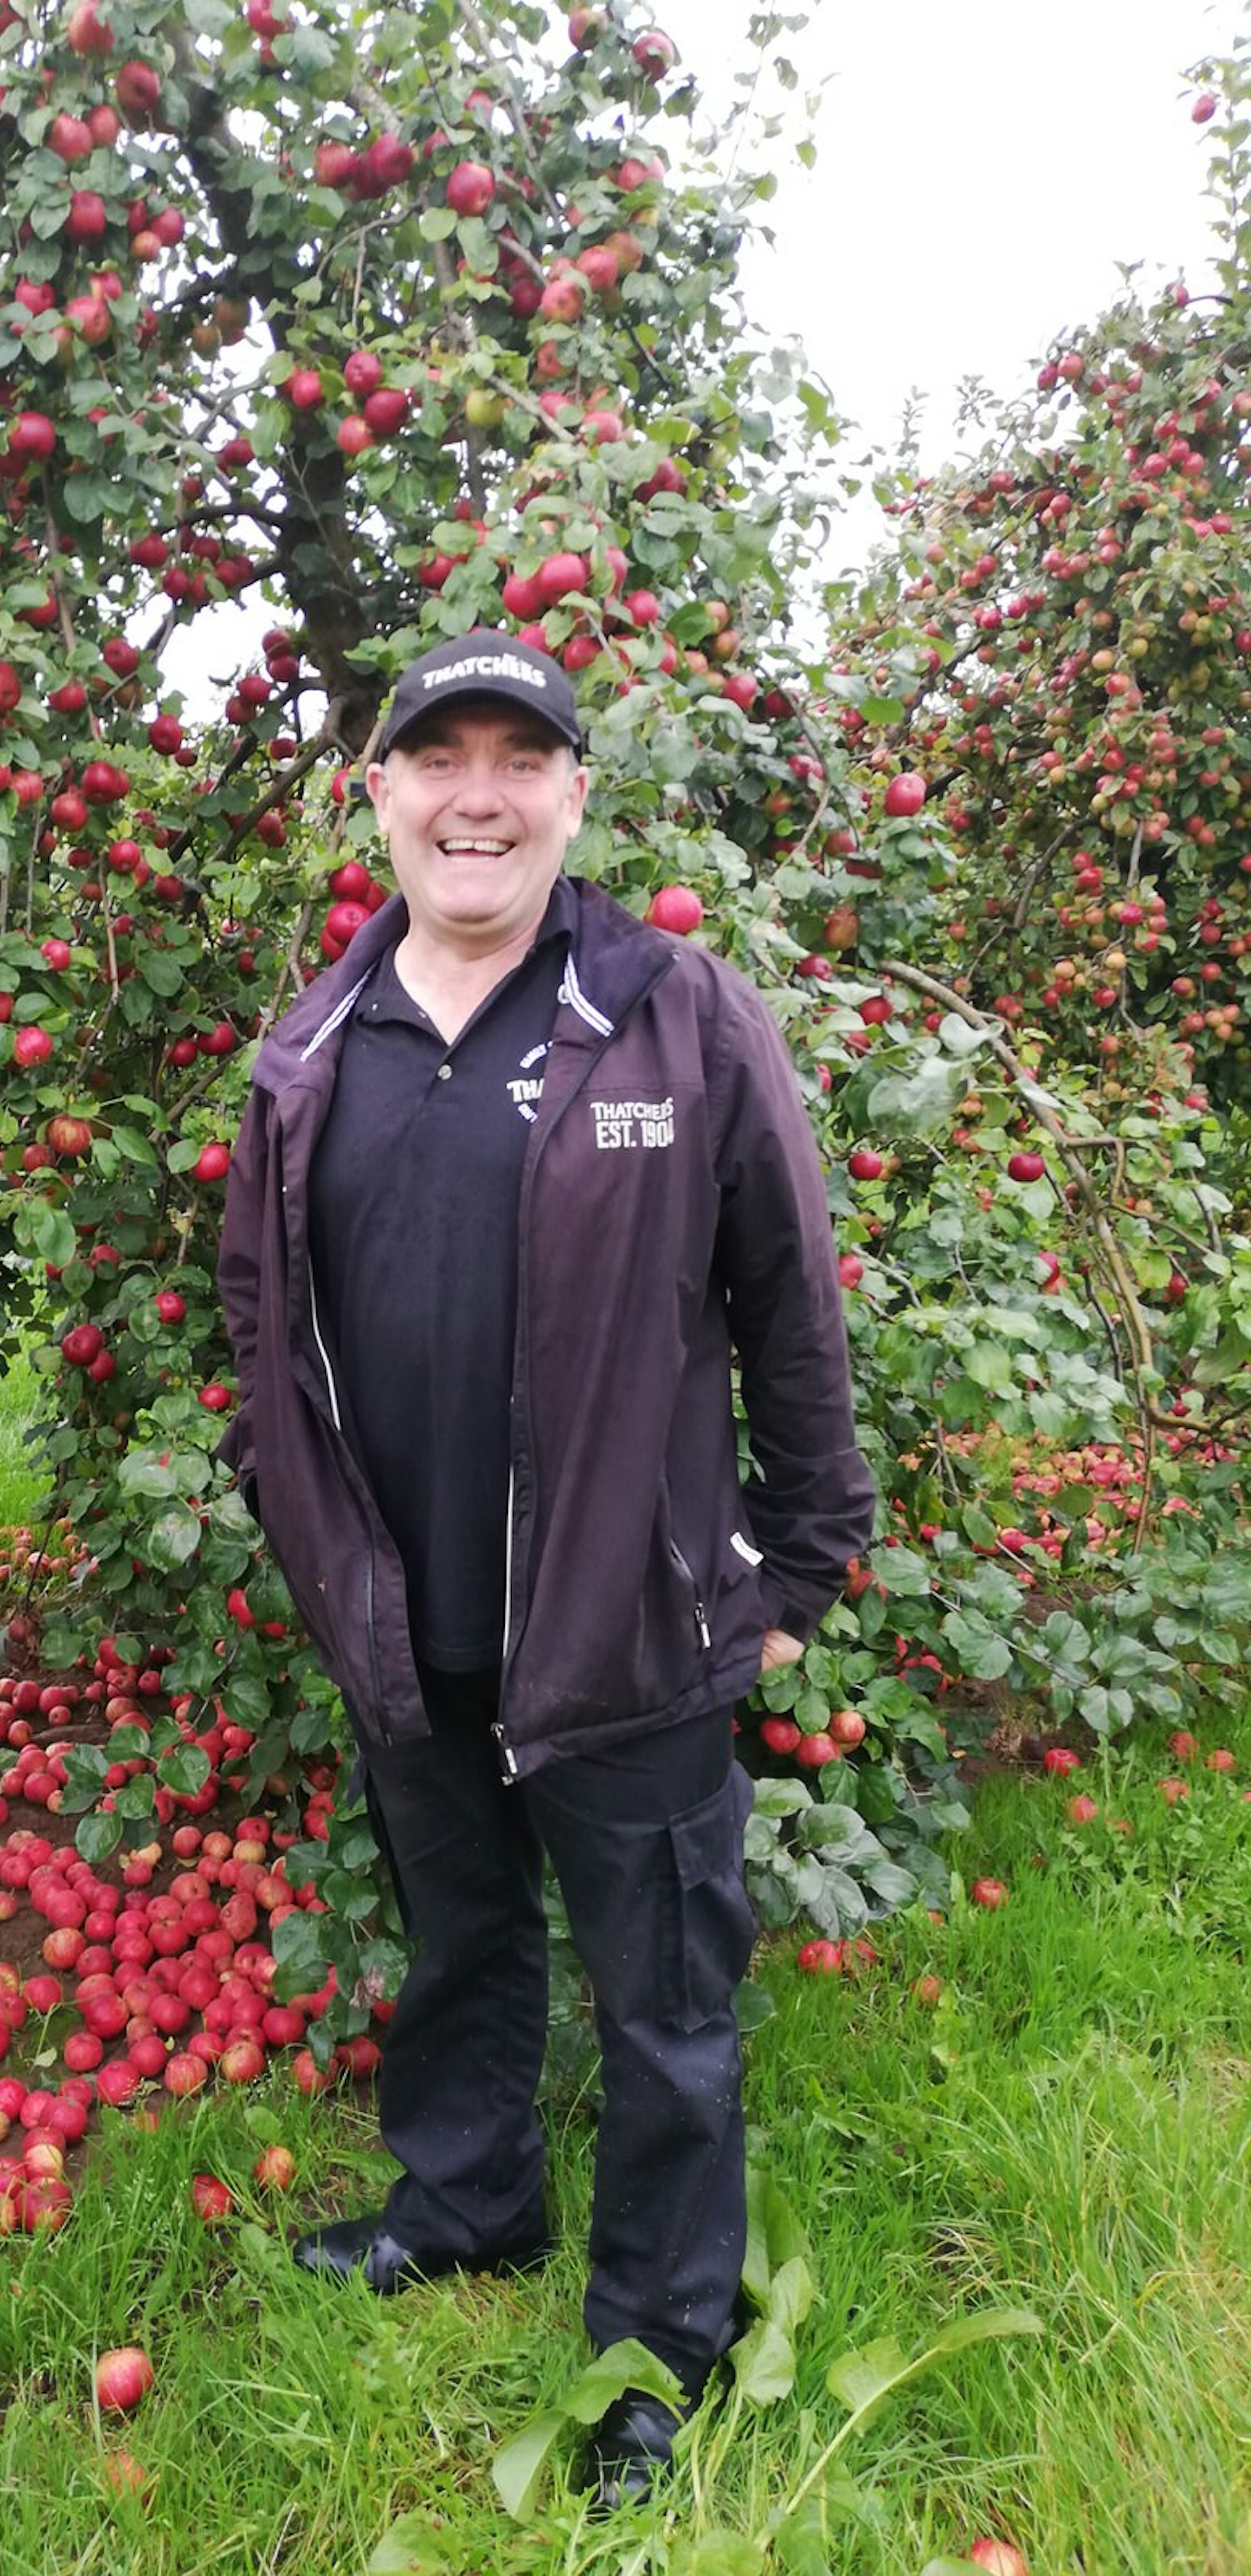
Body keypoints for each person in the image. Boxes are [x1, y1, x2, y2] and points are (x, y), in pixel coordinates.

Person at [213, 628, 875, 2509]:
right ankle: (469, 2196)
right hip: (403, 1619)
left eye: (522, 759)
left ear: (576, 796)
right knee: (466, 1934)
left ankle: (661, 2346)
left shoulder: (673, 1012)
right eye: (442, 759)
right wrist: (293, 1505)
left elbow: (787, 1295)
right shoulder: (317, 1044)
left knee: (666, 1997)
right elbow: (266, 1307)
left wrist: (801, 1552)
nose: (478, 795)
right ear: (383, 796)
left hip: (626, 1616)